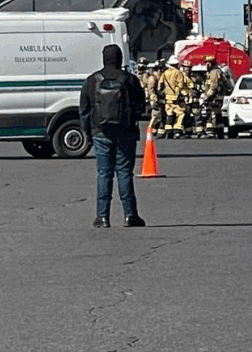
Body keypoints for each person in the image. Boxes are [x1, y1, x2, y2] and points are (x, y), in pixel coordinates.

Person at [79, 44, 146, 229]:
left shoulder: (92, 80)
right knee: (124, 173)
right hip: (125, 132)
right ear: (120, 58)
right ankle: (130, 215)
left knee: (104, 174)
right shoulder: (129, 80)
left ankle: (102, 216)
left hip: (101, 132)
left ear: (103, 58)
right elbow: (141, 105)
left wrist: (88, 132)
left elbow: (84, 109)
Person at [160, 56, 193, 138]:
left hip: (167, 98)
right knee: (180, 114)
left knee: (169, 114)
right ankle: (177, 131)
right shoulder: (178, 73)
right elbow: (181, 85)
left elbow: (160, 85)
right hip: (175, 98)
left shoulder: (165, 72)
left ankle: (168, 131)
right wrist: (185, 94)